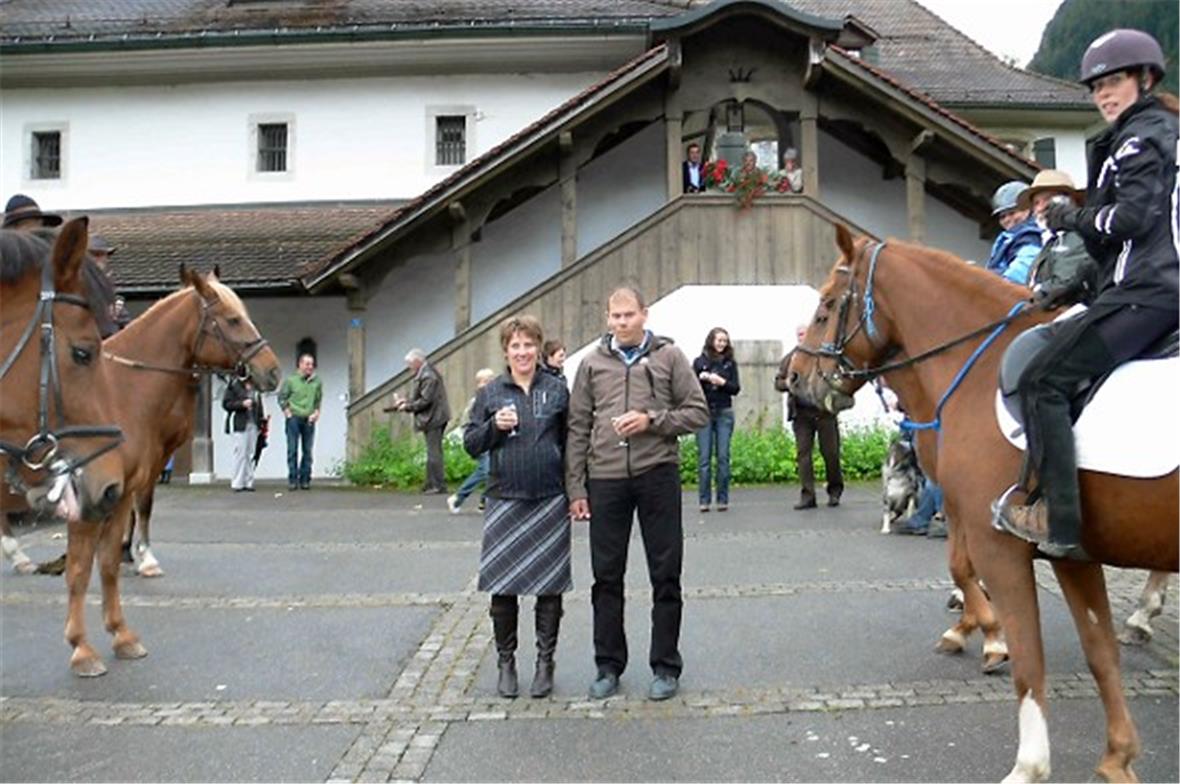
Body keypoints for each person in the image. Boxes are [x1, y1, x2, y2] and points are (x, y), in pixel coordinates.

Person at [997, 29, 1179, 557]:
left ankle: (1058, 518)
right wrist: (1072, 286)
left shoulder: (1139, 138)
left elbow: (1133, 218)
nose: (1104, 94)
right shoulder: (1163, 130)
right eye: (1097, 86)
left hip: (1149, 293)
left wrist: (1070, 216)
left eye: (1115, 81)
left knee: (1042, 379)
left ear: (1145, 79)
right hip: (1147, 286)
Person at [566, 284, 708, 702]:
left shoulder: (670, 356)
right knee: (606, 577)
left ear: (644, 314)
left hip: (656, 474)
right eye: (615, 316)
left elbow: (697, 411)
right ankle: (607, 665)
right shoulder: (592, 363)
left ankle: (665, 665)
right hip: (606, 479)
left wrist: (653, 419)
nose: (622, 323)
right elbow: (577, 427)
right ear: (608, 319)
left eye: (629, 315)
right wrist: (576, 485)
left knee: (666, 574)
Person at [464, 315, 571, 699]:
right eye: (516, 346)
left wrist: (577, 493)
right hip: (505, 498)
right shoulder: (491, 393)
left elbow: (571, 444)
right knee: (503, 587)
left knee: (550, 588)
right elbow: (472, 443)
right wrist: (494, 426)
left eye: (529, 345)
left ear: (538, 348)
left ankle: (545, 662)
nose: (523, 352)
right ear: (506, 351)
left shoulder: (557, 389)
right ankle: (506, 662)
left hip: (549, 499)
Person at [774, 325, 843, 509]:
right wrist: (788, 383)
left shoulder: (824, 357)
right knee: (803, 455)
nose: (802, 337)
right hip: (801, 413)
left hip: (824, 412)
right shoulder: (790, 358)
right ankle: (808, 496)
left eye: (804, 334)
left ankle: (835, 491)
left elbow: (838, 377)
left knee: (831, 453)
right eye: (799, 334)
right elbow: (778, 382)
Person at [1017, 170, 1098, 305]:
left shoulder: (1077, 236)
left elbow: (1063, 283)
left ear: (1070, 201)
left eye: (1048, 199)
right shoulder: (1052, 242)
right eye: (1036, 203)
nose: (1041, 208)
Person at [692, 327, 741, 512]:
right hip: (704, 412)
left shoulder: (730, 364)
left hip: (724, 413)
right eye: (719, 340)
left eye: (724, 341)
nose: (721, 344)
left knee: (723, 457)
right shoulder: (699, 361)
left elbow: (735, 388)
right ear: (711, 340)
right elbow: (690, 387)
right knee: (704, 459)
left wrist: (722, 382)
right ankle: (704, 500)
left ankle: (722, 499)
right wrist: (702, 378)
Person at [392, 348, 451, 494]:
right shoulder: (427, 373)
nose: (409, 367)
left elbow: (425, 401)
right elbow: (424, 397)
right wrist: (407, 401)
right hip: (435, 416)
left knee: (433, 452)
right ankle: (431, 483)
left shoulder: (428, 376)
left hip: (433, 418)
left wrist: (407, 406)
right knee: (434, 451)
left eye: (410, 364)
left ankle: (436, 485)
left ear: (418, 362)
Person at [448, 368, 497, 514]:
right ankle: (458, 497)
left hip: (489, 439)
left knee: (492, 469)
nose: (485, 384)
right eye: (483, 381)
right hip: (479, 440)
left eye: (488, 381)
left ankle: (485, 501)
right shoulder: (477, 401)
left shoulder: (492, 398)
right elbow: (467, 423)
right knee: (485, 469)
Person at [278, 353, 323, 491]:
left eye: (312, 364)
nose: (310, 367)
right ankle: (293, 479)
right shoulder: (291, 381)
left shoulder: (317, 382)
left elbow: (318, 400)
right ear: (300, 365)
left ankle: (305, 479)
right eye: (307, 364)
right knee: (292, 449)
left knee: (307, 450)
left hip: (308, 418)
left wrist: (316, 413)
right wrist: (287, 413)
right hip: (294, 418)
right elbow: (282, 397)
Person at [984, 181, 1042, 285]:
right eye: (1002, 216)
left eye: (1012, 213)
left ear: (1030, 209)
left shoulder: (1031, 235)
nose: (1007, 219)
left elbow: (1021, 272)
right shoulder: (1009, 237)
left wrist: (993, 284)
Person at [222, 374, 264, 492]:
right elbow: (226, 404)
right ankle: (237, 482)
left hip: (253, 424)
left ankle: (248, 482)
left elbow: (259, 406)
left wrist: (261, 422)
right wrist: (241, 404)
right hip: (239, 424)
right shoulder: (234, 386)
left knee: (251, 453)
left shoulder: (255, 388)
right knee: (240, 453)